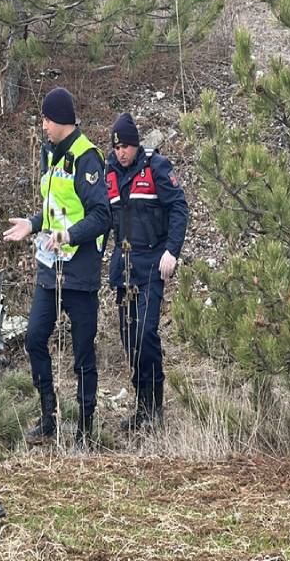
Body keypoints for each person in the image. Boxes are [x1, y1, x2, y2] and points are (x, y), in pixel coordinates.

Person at [2, 87, 111, 445]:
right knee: (34, 338)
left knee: (82, 352)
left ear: (61, 120)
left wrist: (69, 235)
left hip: (80, 271)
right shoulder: (50, 154)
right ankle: (48, 417)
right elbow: (54, 209)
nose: (43, 125)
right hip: (50, 268)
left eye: (47, 119)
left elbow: (101, 216)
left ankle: (85, 430)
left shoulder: (87, 157)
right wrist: (33, 225)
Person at [104, 112, 188, 431]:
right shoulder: (110, 172)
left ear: (136, 145)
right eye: (116, 148)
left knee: (145, 333)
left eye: (125, 147)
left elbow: (179, 208)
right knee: (130, 339)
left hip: (152, 262)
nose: (120, 153)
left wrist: (172, 251)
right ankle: (142, 407)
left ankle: (154, 410)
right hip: (123, 267)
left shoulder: (155, 167)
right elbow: (102, 216)